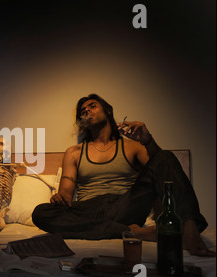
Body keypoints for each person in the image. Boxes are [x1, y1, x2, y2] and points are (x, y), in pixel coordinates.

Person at [32, 94, 215, 257]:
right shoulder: (74, 152)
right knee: (40, 213)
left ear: (108, 112)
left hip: (125, 205)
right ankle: (131, 232)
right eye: (83, 110)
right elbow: (66, 193)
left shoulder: (131, 146)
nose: (87, 110)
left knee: (165, 155)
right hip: (88, 209)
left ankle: (189, 229)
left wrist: (147, 140)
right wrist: (60, 198)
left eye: (92, 105)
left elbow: (162, 167)